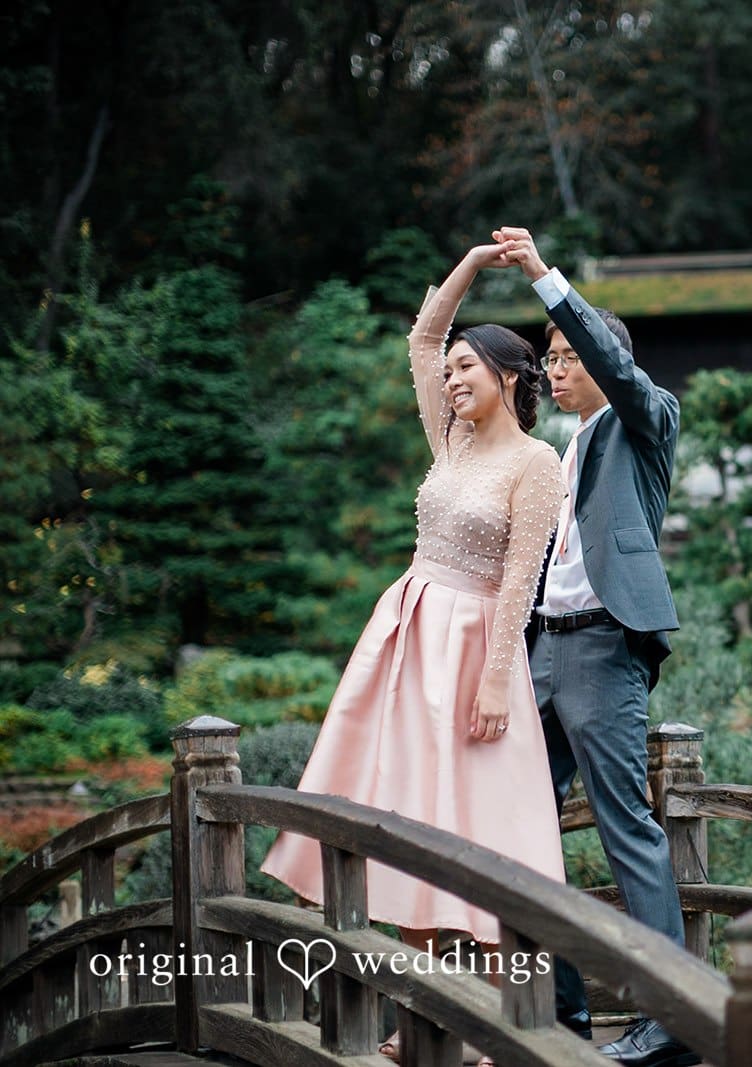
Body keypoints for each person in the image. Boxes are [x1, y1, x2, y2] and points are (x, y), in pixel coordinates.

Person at [259, 239, 566, 1064]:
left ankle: (518, 1026)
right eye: (454, 371)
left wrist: (499, 678)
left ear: (509, 377)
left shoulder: (536, 464)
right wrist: (470, 264)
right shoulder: (453, 444)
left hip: (476, 651)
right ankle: (422, 1017)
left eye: (470, 369)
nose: (454, 378)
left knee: (496, 827)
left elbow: (521, 582)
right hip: (407, 638)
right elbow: (422, 339)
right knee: (409, 813)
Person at [494, 225, 698, 1067]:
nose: (556, 366)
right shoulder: (561, 450)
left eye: (566, 352)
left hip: (607, 649)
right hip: (546, 647)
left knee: (626, 829)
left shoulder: (645, 422)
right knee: (515, 829)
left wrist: (544, 277)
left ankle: (675, 1020)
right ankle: (561, 1013)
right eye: (549, 356)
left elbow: (613, 368)